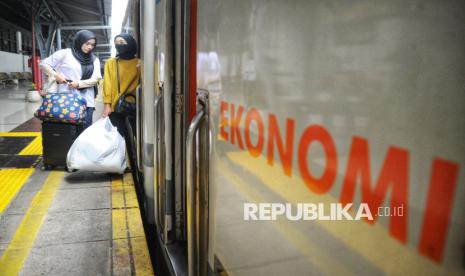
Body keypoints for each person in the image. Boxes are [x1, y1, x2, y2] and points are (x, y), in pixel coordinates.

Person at [40, 30, 102, 129]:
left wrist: (78, 84)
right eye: (87, 44)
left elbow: (96, 78)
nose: (90, 47)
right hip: (65, 101)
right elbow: (43, 63)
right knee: (66, 134)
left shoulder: (94, 60)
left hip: (86, 102)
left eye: (92, 45)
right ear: (79, 41)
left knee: (83, 133)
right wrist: (56, 76)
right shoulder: (65, 54)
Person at [102, 33, 140, 178]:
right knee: (117, 137)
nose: (119, 45)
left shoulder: (140, 63)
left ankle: (137, 163)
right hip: (116, 106)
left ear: (130, 44)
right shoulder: (111, 63)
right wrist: (107, 104)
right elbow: (107, 84)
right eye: (116, 42)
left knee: (137, 135)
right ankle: (118, 164)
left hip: (136, 105)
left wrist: (143, 68)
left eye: (122, 42)